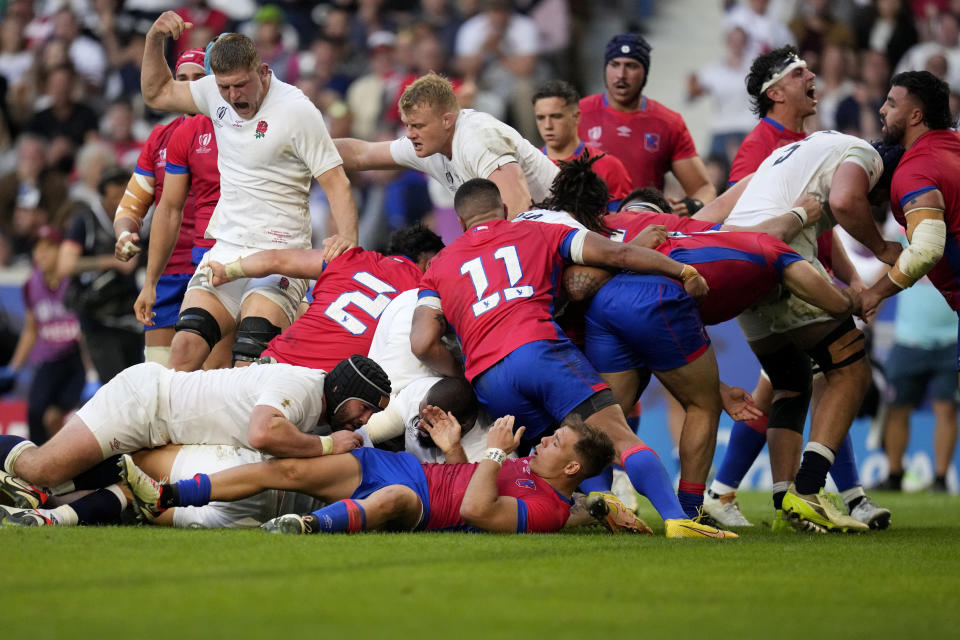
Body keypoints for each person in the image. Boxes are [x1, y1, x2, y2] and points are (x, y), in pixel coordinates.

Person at [409, 178, 736, 538]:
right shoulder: (537, 231)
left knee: (550, 455)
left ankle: (598, 504)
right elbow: (620, 255)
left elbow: (423, 343)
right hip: (538, 350)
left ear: (459, 222)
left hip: (489, 379)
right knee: (614, 438)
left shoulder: (438, 266)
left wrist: (466, 367)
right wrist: (682, 270)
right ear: (504, 210)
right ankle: (679, 521)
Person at [706, 45, 888, 530]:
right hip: (776, 266)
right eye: (798, 71)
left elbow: (820, 229)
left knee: (796, 381)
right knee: (839, 369)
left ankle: (795, 495)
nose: (812, 75)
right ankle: (827, 493)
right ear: (775, 92)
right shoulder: (761, 146)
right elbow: (753, 223)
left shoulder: (801, 142)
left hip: (794, 263)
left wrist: (847, 273)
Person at [139, 13, 359, 371]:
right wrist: (153, 40)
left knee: (249, 357)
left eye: (240, 85)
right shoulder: (215, 94)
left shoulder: (297, 110)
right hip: (226, 248)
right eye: (224, 87)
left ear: (263, 71)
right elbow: (157, 92)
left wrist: (347, 242)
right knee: (183, 352)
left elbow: (336, 181)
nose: (232, 96)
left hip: (281, 252)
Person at [0, 355, 388, 522]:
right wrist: (327, 446)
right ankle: (25, 484)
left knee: (85, 492)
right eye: (366, 408)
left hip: (168, 431)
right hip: (143, 405)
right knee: (41, 468)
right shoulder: (303, 386)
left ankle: (31, 504)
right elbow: (262, 432)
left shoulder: (322, 412)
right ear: (344, 391)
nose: (365, 420)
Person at [121, 414, 619, 535]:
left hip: (423, 505)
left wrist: (490, 455)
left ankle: (308, 527)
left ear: (573, 468)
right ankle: (170, 494)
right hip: (402, 466)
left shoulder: (549, 510)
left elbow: (474, 509)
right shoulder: (521, 466)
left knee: (395, 500)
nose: (543, 441)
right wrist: (454, 451)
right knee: (287, 469)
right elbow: (465, 481)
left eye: (555, 444)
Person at [206, 225, 444, 371]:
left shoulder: (351, 257)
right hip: (329, 389)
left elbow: (276, 260)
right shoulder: (425, 291)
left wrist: (228, 272)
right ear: (431, 262)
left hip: (274, 361)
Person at [333, 72, 559, 220]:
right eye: (407, 125)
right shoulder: (426, 142)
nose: (410, 134)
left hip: (568, 221)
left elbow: (519, 209)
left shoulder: (476, 137)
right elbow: (362, 154)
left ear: (447, 120)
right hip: (533, 230)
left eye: (418, 126)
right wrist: (304, 148)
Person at [113, 48, 208, 368]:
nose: (190, 87)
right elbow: (132, 204)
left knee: (203, 378)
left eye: (199, 78)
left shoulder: (233, 133)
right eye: (182, 79)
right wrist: (124, 233)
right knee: (158, 374)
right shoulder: (159, 137)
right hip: (166, 270)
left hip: (213, 268)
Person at [860, 71, 960, 346]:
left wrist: (874, 294)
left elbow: (926, 249)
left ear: (916, 116)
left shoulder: (915, 170)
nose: (881, 110)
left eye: (891, 104)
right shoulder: (953, 146)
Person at [578, 33, 715, 216]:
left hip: (644, 229)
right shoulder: (578, 114)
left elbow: (705, 188)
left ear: (645, 73)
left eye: (631, 66)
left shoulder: (668, 123)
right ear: (605, 68)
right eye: (615, 65)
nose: (621, 75)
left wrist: (694, 205)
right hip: (588, 228)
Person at [0, 226, 84, 445]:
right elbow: (31, 329)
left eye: (49, 247)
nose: (42, 253)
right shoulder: (31, 284)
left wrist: (92, 372)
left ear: (61, 251)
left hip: (76, 358)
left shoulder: (74, 281)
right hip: (48, 361)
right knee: (35, 413)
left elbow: (86, 330)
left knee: (55, 417)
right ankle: (37, 471)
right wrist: (14, 367)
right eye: (37, 248)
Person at [58, 168, 143, 384]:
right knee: (115, 386)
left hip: (132, 317)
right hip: (98, 319)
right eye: (115, 197)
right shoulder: (86, 221)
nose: (121, 203)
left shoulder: (141, 219)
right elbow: (65, 264)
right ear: (103, 195)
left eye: (126, 196)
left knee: (138, 386)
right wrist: (112, 262)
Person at [876, 275, 958, 493]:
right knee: (897, 409)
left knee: (947, 409)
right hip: (908, 339)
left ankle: (941, 479)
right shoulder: (905, 241)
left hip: (952, 341)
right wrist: (868, 319)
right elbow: (885, 279)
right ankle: (894, 475)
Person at [532, 80, 631, 208]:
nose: (547, 125)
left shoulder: (609, 167)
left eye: (556, 116)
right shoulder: (528, 168)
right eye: (541, 118)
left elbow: (622, 222)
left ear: (576, 117)